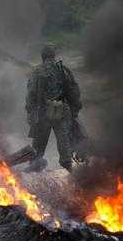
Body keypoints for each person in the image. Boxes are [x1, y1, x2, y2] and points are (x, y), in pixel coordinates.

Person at [25, 44, 82, 172]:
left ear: (42, 57)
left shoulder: (37, 71)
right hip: (61, 111)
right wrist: (75, 110)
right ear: (53, 56)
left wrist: (30, 112)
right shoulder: (63, 70)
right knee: (64, 144)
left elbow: (31, 94)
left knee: (39, 146)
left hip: (43, 112)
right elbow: (74, 92)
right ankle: (70, 171)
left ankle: (34, 170)